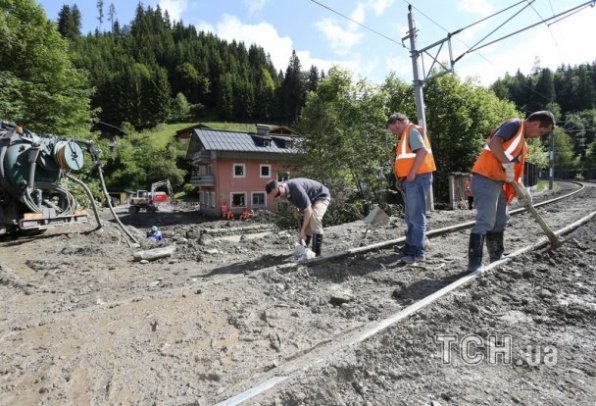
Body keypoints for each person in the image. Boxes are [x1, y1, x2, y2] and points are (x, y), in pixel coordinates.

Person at [467, 110, 555, 272]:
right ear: (536, 123)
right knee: (486, 220)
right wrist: (507, 164)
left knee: (500, 219)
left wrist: (524, 191)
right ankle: (474, 263)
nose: (539, 136)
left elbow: (515, 174)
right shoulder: (514, 125)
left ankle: (496, 256)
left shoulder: (523, 145)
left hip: (498, 182)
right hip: (485, 177)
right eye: (542, 132)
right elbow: (494, 143)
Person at [387, 112, 437, 264]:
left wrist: (412, 173)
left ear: (398, 123)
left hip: (417, 178)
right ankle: (410, 246)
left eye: (393, 129)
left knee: (416, 216)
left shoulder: (411, 131)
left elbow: (422, 152)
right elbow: (408, 160)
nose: (393, 132)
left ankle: (417, 253)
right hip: (411, 180)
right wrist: (403, 178)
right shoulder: (406, 134)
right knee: (410, 216)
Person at [265, 178, 331, 257]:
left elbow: (308, 210)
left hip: (321, 196)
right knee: (306, 227)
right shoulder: (286, 192)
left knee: (315, 219)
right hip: (311, 201)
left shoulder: (294, 187)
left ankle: (316, 254)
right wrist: (296, 208)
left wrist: (302, 231)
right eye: (276, 196)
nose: (279, 197)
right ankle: (300, 254)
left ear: (280, 186)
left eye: (278, 193)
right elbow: (299, 201)